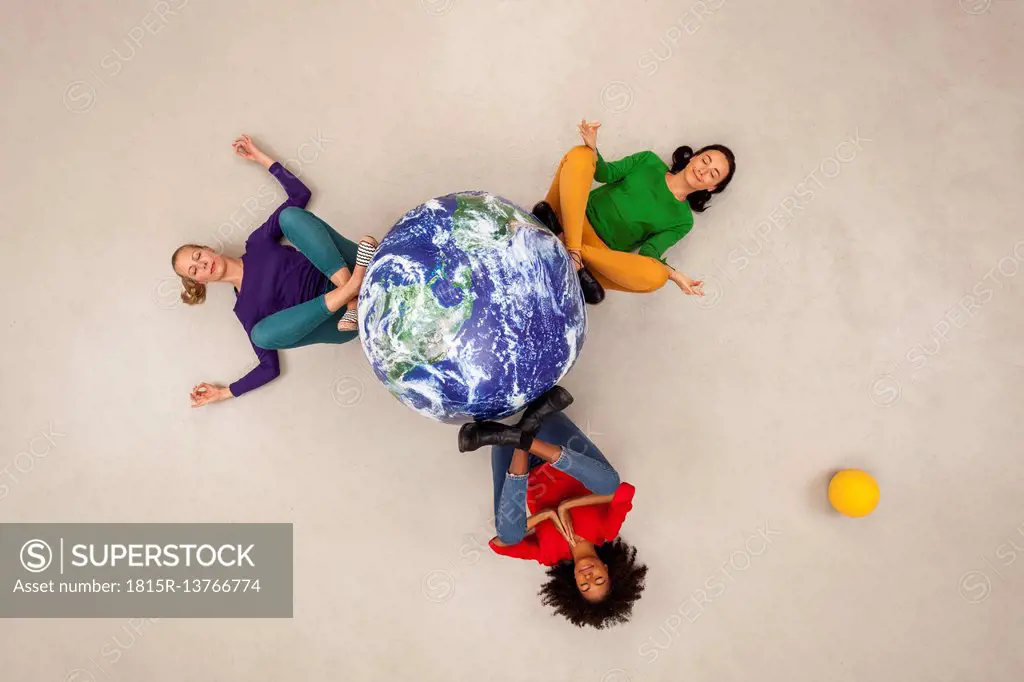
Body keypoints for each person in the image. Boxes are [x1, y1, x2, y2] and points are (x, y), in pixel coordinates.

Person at [171, 134, 377, 408]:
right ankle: (350, 293)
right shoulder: (244, 311)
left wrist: (261, 158)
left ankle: (351, 288)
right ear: (200, 281)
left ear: (208, 249)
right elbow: (269, 367)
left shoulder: (257, 244)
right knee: (261, 335)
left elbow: (300, 196)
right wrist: (224, 392)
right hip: (341, 321)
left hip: (348, 265)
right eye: (194, 270)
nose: (201, 264)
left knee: (289, 217)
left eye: (197, 256)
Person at [459, 388, 647, 629]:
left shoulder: (550, 555)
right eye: (599, 579)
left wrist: (546, 515)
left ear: (574, 583)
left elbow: (499, 545)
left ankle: (519, 438)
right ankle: (517, 436)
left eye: (585, 585)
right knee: (609, 482)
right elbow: (624, 492)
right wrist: (567, 505)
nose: (589, 577)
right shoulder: (606, 530)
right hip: (552, 436)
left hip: (514, 460)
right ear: (607, 569)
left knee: (510, 535)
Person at [533, 120, 736, 304]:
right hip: (570, 215)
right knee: (582, 154)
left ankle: (569, 248)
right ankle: (573, 252)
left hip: (596, 254)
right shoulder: (648, 161)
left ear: (712, 188)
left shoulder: (683, 220)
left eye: (713, 174)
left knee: (657, 276)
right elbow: (606, 173)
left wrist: (673, 275)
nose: (704, 170)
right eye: (705, 161)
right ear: (695, 157)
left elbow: (649, 254)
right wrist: (593, 147)